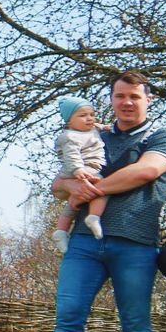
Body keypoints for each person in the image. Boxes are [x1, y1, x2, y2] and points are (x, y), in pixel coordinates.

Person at [29, 72, 166, 332]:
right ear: (111, 99)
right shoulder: (91, 135)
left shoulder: (163, 138)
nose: (127, 102)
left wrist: (91, 190)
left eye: (134, 97)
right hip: (84, 241)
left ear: (148, 100)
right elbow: (59, 182)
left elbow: (145, 172)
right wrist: (68, 185)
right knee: (69, 316)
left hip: (136, 244)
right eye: (120, 96)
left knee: (136, 325)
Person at [51, 98, 107, 249]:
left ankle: (61, 230)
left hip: (84, 168)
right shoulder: (71, 137)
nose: (89, 118)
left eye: (91, 114)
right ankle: (94, 217)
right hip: (84, 168)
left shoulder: (90, 129)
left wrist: (105, 127)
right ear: (69, 121)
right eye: (83, 115)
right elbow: (72, 155)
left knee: (74, 202)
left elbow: (96, 126)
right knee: (101, 187)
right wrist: (78, 170)